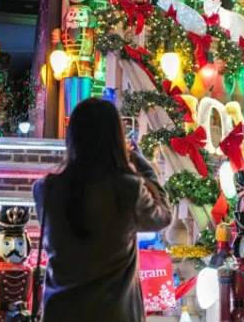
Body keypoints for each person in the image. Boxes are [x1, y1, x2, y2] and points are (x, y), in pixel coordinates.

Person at [32, 98, 172, 321]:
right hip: (114, 314)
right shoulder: (128, 188)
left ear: (72, 138)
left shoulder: (45, 190)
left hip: (60, 312)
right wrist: (138, 161)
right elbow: (162, 217)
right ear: (117, 139)